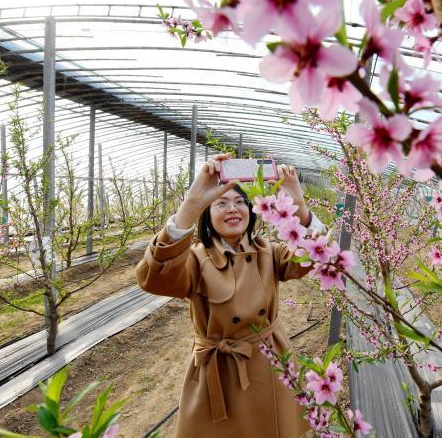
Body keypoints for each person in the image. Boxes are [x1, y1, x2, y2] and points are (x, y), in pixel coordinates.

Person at [135, 154, 326, 438]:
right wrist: (191, 203)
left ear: (251, 211)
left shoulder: (269, 252)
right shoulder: (196, 260)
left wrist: (299, 204)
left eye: (240, 203)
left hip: (268, 362)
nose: (232, 209)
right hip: (219, 370)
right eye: (221, 203)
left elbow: (314, 257)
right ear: (207, 216)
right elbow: (155, 279)